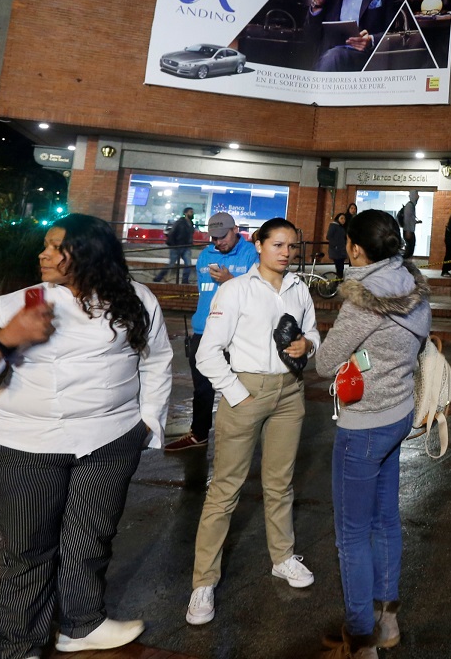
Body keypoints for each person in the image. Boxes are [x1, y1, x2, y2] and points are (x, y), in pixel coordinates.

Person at [0, 213, 172, 659]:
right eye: (45, 246)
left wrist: (147, 423)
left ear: (90, 253)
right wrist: (9, 337)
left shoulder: (137, 299)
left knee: (89, 540)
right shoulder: (18, 303)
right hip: (26, 446)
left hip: (109, 441)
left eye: (56, 247)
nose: (44, 254)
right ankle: (18, 646)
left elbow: (156, 360)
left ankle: (82, 624)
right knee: (29, 551)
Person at [187, 218, 322, 627]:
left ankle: (282, 558)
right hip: (245, 391)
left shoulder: (299, 289)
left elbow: (313, 332)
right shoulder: (236, 289)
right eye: (277, 244)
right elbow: (207, 352)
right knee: (225, 488)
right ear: (258, 245)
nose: (285, 252)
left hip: (290, 392)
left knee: (280, 483)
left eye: (291, 246)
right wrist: (236, 392)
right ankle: (203, 583)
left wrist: (308, 345)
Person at [316, 209, 430, 659]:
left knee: (352, 533)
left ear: (356, 249)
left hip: (364, 424)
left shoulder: (364, 297)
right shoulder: (412, 283)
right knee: (385, 520)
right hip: (398, 413)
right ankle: (388, 621)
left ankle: (361, 638)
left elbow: (325, 362)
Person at [166, 212, 259, 453]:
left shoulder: (249, 253)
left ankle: (239, 438)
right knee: (202, 387)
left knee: (238, 385)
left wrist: (230, 280)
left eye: (223, 236)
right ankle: (199, 433)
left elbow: (255, 293)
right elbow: (205, 292)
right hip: (203, 329)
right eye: (214, 237)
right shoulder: (206, 255)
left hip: (236, 332)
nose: (218, 242)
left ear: (235, 230)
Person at [154, 206, 195, 283]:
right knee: (171, 264)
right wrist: (173, 244)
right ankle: (158, 277)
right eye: (191, 212)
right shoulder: (180, 223)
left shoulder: (190, 223)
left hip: (186, 246)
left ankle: (185, 280)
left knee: (188, 264)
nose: (192, 214)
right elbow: (172, 233)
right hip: (177, 246)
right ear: (186, 213)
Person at [397, 191, 420, 258]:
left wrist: (416, 222)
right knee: (409, 250)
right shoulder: (410, 206)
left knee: (409, 249)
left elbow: (410, 219)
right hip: (408, 231)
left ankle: (406, 263)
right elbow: (407, 219)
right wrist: (408, 231)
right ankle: (405, 264)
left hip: (409, 230)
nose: (418, 197)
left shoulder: (411, 205)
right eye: (417, 195)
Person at [328, 212, 349, 279]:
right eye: (341, 218)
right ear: (338, 219)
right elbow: (329, 236)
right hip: (336, 250)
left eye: (344, 219)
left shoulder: (342, 227)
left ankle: (338, 281)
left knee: (341, 268)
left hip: (342, 250)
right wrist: (335, 245)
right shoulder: (334, 226)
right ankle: (337, 282)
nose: (343, 220)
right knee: (339, 267)